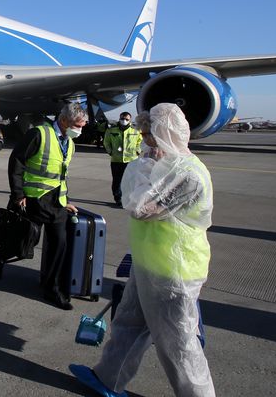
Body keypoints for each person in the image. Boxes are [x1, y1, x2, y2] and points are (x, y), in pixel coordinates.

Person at [70, 103, 216, 397]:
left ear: (167, 134)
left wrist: (141, 168)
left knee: (178, 343)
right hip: (149, 261)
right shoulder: (166, 165)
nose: (145, 140)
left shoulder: (186, 173)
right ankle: (109, 378)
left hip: (173, 270)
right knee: (129, 322)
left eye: (150, 135)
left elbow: (143, 209)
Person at [0, 102, 87, 310]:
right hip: (34, 199)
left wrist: (66, 201)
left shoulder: (69, 142)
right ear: (63, 121)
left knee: (59, 244)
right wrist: (18, 194)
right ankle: (0, 255)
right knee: (24, 242)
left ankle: (51, 289)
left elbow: (60, 175)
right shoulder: (39, 134)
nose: (80, 130)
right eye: (78, 125)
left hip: (57, 202)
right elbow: (16, 162)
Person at [103, 111, 142, 206]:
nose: (124, 121)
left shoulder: (136, 130)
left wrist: (138, 150)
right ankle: (118, 199)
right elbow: (106, 142)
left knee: (131, 180)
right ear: (119, 119)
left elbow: (140, 141)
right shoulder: (111, 130)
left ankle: (129, 198)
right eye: (122, 119)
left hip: (131, 160)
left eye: (126, 119)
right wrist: (110, 151)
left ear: (130, 120)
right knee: (117, 180)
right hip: (116, 160)